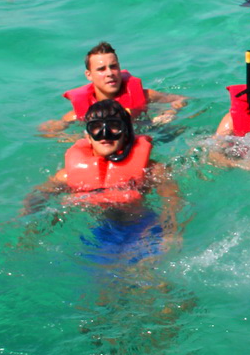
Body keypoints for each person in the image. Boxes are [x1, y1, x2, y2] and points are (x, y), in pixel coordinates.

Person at [25, 100, 182, 260]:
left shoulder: (152, 169)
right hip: (99, 233)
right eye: (96, 126)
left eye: (113, 125)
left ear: (126, 132)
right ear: (88, 135)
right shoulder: (66, 176)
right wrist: (29, 228)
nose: (105, 133)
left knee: (149, 275)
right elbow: (39, 197)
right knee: (105, 281)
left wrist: (171, 232)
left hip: (142, 227)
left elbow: (172, 201)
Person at [40, 42, 187, 136]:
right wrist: (57, 128)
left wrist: (172, 111)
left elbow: (182, 99)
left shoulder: (147, 96)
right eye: (101, 69)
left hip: (154, 134)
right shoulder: (80, 113)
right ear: (89, 75)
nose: (110, 73)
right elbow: (47, 131)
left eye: (113, 66)